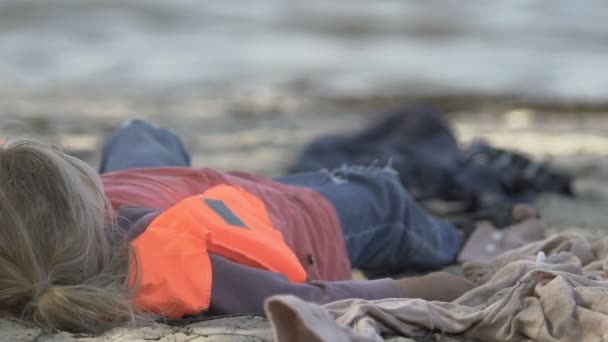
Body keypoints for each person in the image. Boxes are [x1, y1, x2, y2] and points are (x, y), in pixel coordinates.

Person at [0, 119, 538, 334]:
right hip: (298, 218)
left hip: (179, 189)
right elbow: (309, 295)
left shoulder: (21, 262)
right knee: (380, 195)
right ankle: (458, 235)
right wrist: (433, 286)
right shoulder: (180, 264)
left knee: (140, 133)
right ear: (90, 214)